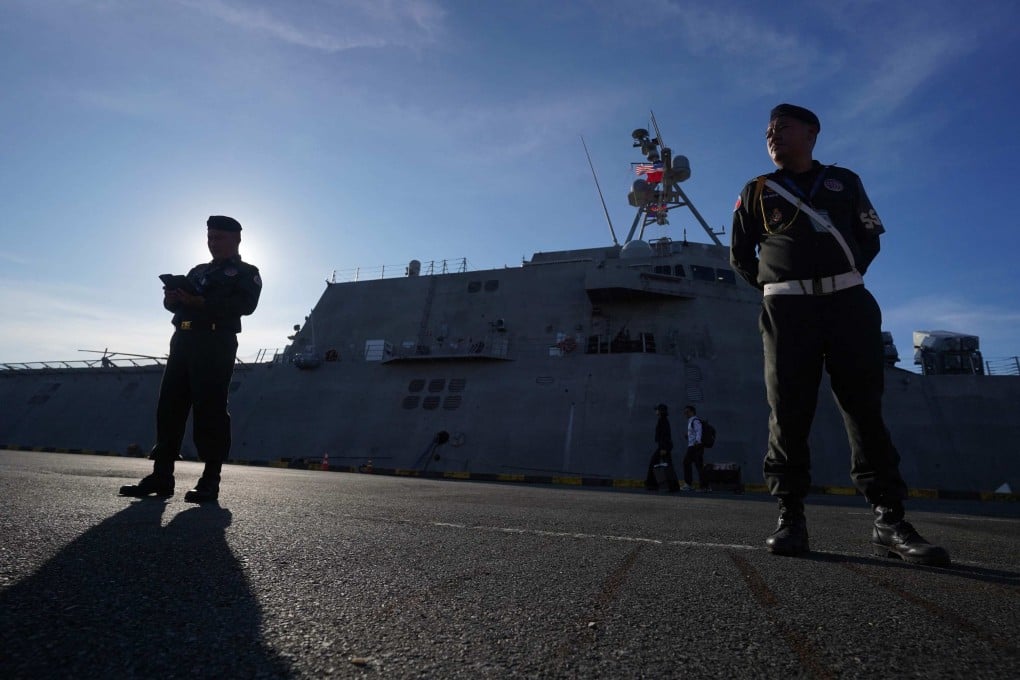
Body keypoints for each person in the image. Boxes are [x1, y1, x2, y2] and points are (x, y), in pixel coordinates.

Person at [729, 104, 949, 565]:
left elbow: (869, 238)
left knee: (863, 408)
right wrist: (779, 288)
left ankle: (889, 519)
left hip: (848, 305)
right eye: (768, 131)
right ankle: (791, 517)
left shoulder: (844, 182)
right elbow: (741, 255)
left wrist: (837, 278)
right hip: (786, 311)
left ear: (811, 133)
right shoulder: (756, 191)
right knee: (788, 410)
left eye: (783, 128)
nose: (773, 136)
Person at [120, 215, 262, 503]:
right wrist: (172, 297)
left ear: (236, 239)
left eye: (219, 237)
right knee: (169, 407)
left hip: (215, 342)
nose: (213, 243)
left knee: (210, 408)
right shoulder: (197, 271)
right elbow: (172, 305)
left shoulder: (247, 272)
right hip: (183, 340)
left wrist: (202, 303)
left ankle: (210, 480)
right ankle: (162, 475)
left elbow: (246, 306)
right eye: (210, 237)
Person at [645, 404, 681, 492]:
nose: (655, 411)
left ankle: (652, 485)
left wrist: (663, 448)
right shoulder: (663, 420)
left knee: (654, 463)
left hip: (664, 446)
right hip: (665, 446)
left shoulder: (663, 421)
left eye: (657, 409)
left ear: (660, 411)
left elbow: (665, 435)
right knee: (668, 465)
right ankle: (673, 486)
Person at [680, 405, 705, 491]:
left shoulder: (695, 420)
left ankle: (689, 484)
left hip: (695, 446)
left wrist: (697, 441)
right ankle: (704, 486)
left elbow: (699, 430)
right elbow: (695, 432)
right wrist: (688, 436)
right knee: (698, 466)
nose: (685, 414)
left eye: (687, 412)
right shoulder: (691, 421)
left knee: (687, 463)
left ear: (692, 412)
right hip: (693, 446)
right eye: (684, 412)